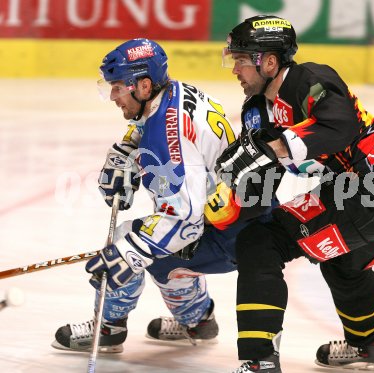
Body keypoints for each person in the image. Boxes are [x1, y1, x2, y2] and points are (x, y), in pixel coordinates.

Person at [217, 15, 374, 372]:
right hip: (366, 189)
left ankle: (259, 361)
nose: (234, 69)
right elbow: (255, 179)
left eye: (240, 59)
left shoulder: (309, 78)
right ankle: (370, 344)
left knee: (261, 243)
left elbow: (338, 126)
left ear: (268, 61)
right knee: (343, 262)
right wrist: (209, 213)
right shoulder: (257, 111)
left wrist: (275, 149)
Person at [51, 38, 281, 353]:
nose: (114, 96)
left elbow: (184, 222)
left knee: (130, 240)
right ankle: (199, 322)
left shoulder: (166, 135)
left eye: (118, 87)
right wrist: (127, 150)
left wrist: (126, 252)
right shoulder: (173, 93)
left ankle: (108, 328)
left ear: (144, 86)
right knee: (160, 255)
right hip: (243, 215)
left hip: (236, 234)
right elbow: (147, 128)